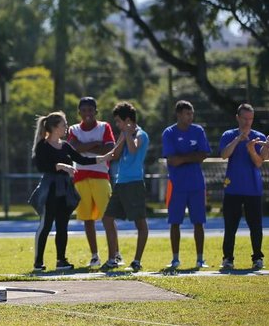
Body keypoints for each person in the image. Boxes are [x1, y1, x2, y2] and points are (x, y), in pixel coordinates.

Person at [31, 111, 114, 271]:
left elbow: (81, 159)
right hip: (50, 189)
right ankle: (38, 263)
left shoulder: (65, 145)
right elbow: (41, 166)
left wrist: (103, 158)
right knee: (46, 225)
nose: (66, 127)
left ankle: (61, 260)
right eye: (63, 124)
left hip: (65, 190)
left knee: (63, 225)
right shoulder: (43, 145)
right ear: (55, 127)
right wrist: (61, 166)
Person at [67, 97, 116, 268]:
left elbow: (108, 149)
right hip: (80, 177)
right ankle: (95, 256)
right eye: (84, 110)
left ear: (96, 111)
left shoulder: (104, 127)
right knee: (87, 219)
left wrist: (85, 147)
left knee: (107, 218)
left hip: (101, 176)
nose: (87, 114)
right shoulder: (73, 129)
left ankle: (114, 256)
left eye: (90, 110)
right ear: (79, 112)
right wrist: (95, 144)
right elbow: (74, 149)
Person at [100, 102, 150, 272]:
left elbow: (133, 149)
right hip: (121, 183)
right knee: (107, 218)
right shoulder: (124, 133)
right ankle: (112, 259)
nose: (117, 125)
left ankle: (137, 260)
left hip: (134, 184)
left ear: (127, 120)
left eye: (119, 121)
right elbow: (116, 153)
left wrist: (128, 133)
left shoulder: (142, 135)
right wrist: (122, 135)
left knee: (140, 223)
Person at [161, 100, 211, 269]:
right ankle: (175, 259)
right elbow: (172, 161)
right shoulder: (169, 133)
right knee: (175, 222)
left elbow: (203, 155)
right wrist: (191, 156)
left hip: (197, 184)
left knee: (199, 222)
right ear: (179, 114)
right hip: (176, 185)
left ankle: (200, 259)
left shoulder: (198, 130)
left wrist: (182, 158)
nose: (191, 117)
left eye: (192, 113)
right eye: (187, 114)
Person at [218, 103, 268, 270]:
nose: (248, 123)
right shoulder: (228, 135)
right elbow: (224, 155)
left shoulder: (258, 136)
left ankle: (257, 258)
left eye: (251, 119)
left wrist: (252, 149)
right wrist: (238, 139)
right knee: (230, 226)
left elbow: (259, 162)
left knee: (255, 226)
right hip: (232, 188)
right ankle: (228, 258)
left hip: (253, 189)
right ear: (238, 118)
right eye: (245, 118)